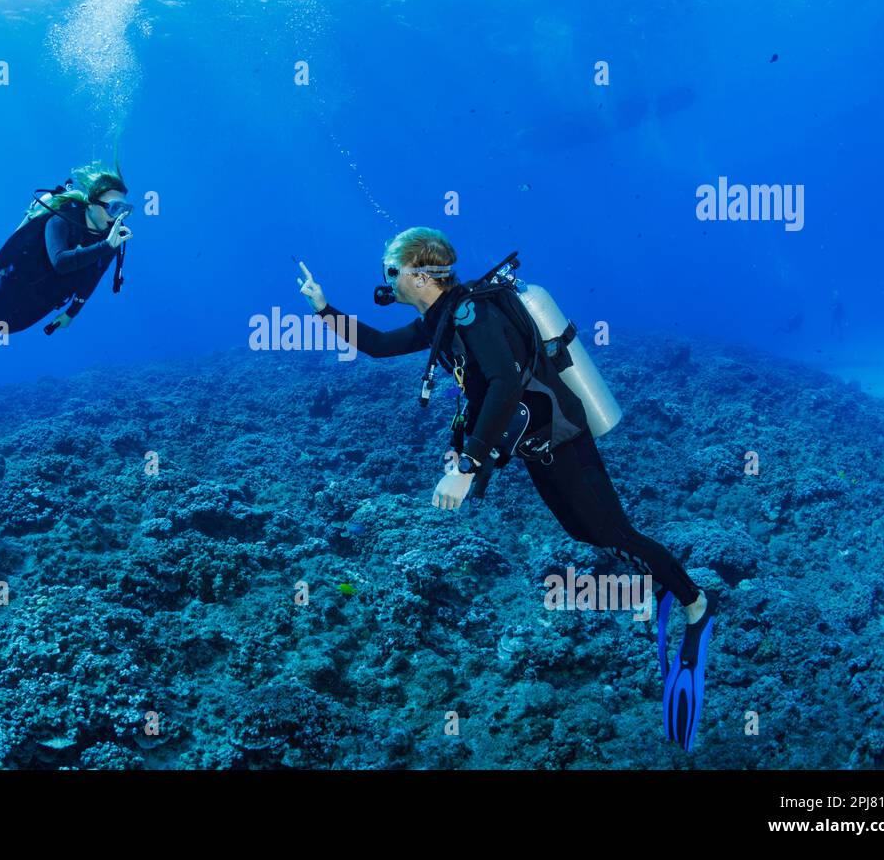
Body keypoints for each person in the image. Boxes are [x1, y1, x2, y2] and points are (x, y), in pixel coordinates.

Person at [297, 226, 716, 752]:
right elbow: (380, 347)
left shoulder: (475, 317)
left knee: (611, 528)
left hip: (562, 436)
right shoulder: (442, 317)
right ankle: (655, 573)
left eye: (391, 270)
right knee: (583, 530)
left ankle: (696, 601)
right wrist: (323, 308)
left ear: (421, 275)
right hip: (535, 444)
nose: (386, 280)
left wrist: (467, 465)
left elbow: (504, 384)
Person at [0, 162, 134, 413]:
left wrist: (71, 314)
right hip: (19, 282)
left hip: (50, 295)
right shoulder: (61, 219)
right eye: (113, 207)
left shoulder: (109, 238)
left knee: (10, 328)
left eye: (125, 208)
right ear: (91, 203)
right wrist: (106, 246)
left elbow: (94, 277)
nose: (118, 215)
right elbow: (60, 261)